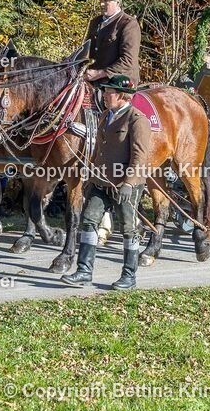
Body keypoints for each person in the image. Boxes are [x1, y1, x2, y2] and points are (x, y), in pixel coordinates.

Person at [61, 75, 150, 290]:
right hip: (100, 181)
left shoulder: (137, 120)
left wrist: (129, 183)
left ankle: (129, 276)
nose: (104, 95)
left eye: (109, 92)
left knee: (128, 229)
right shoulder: (104, 116)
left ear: (122, 96)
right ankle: (84, 271)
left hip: (125, 184)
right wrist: (90, 175)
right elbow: (99, 150)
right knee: (89, 221)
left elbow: (140, 156)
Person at [83, 0, 141, 85]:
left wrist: (99, 73)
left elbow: (128, 61)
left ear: (117, 2)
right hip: (94, 80)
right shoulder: (95, 22)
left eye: (106, 1)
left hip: (120, 82)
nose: (101, 4)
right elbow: (86, 51)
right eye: (100, 0)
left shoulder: (129, 24)